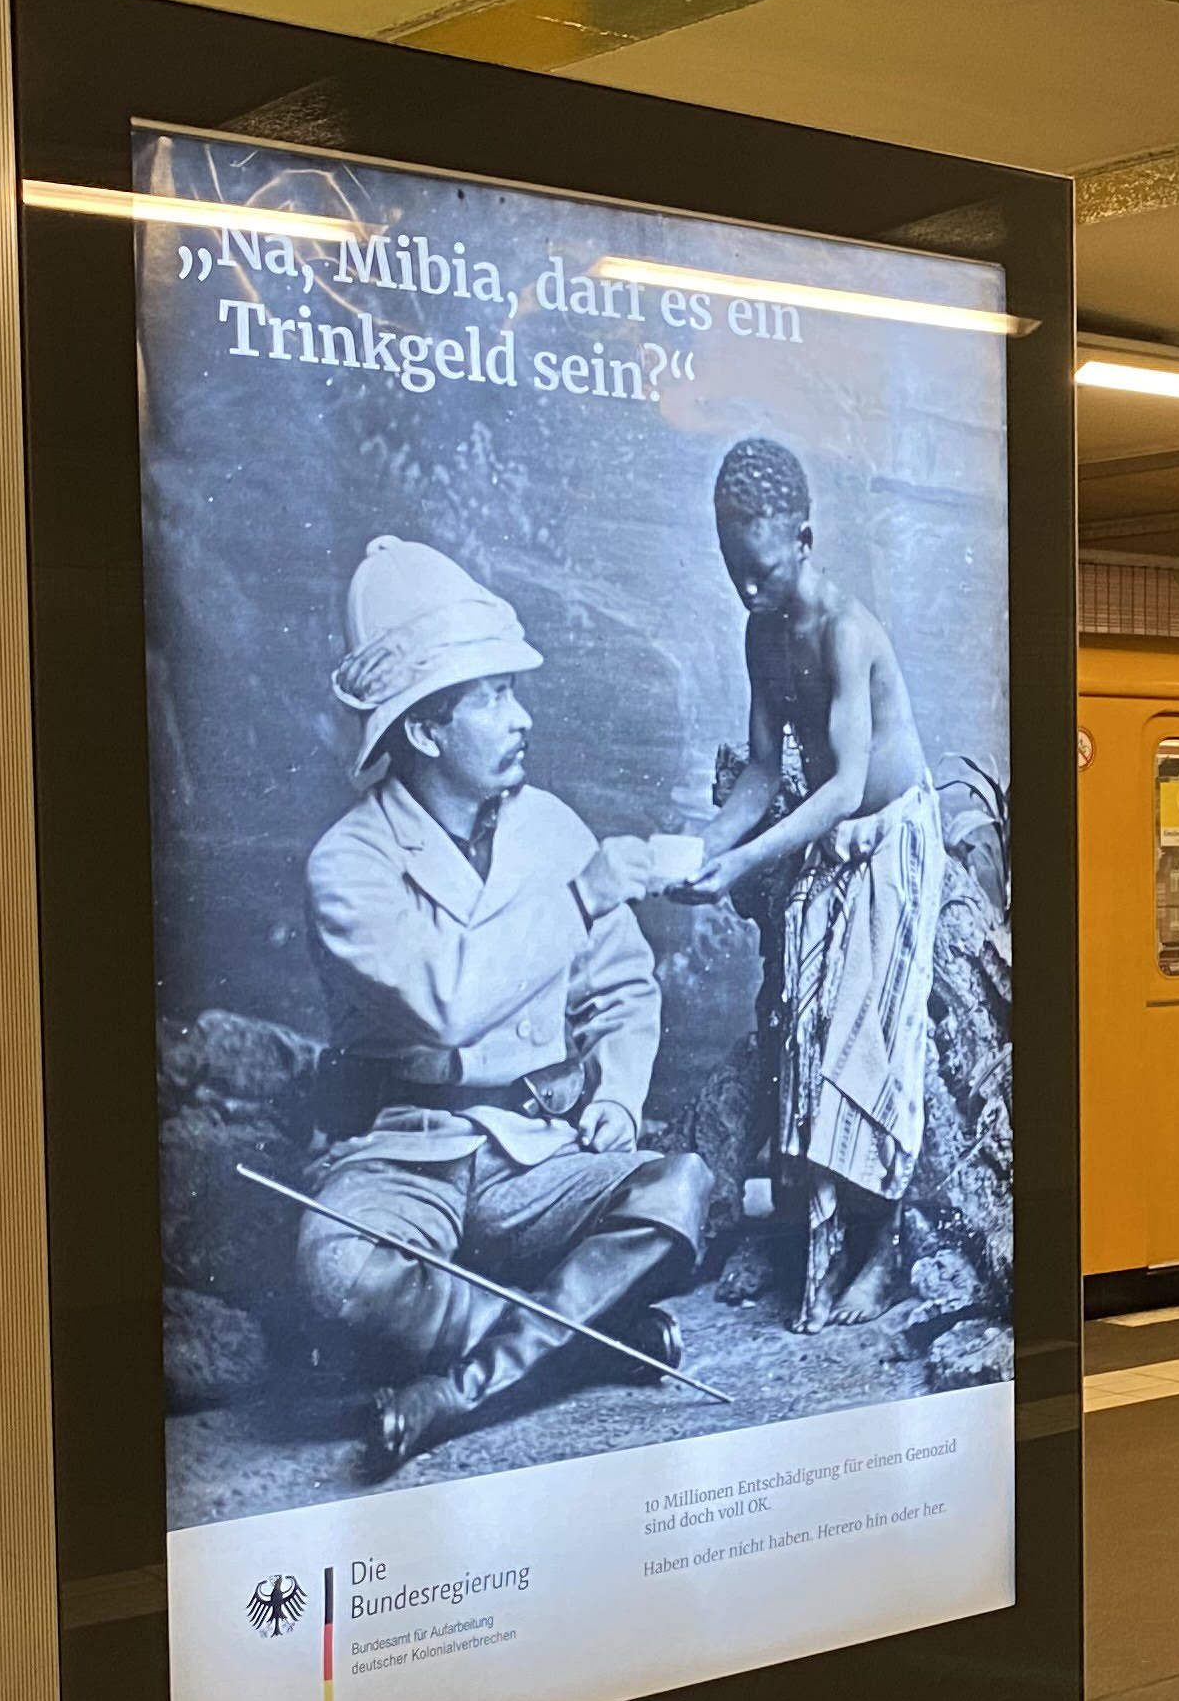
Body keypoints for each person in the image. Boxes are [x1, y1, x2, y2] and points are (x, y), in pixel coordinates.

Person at [293, 534, 715, 1477]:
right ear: (427, 731)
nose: (522, 718)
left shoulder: (551, 827)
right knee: (340, 1272)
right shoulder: (349, 866)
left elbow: (621, 988)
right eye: (494, 697)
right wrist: (587, 894)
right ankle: (594, 1339)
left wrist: (614, 1094)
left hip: (540, 1157)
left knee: (678, 1191)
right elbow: (444, 1005)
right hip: (408, 1155)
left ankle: (457, 1391)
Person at [689, 438, 943, 1331]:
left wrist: (749, 860)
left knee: (867, 1036)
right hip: (825, 841)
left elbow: (843, 784)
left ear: (802, 537)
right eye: (733, 573)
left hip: (888, 840)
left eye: (758, 572)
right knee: (799, 1026)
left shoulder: (847, 631)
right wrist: (701, 849)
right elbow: (763, 770)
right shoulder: (762, 631)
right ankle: (807, 1241)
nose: (748, 591)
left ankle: (882, 1248)